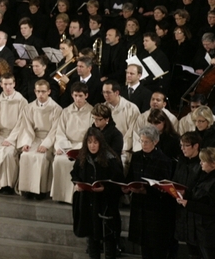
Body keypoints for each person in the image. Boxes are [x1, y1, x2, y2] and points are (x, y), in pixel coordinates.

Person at [71, 127, 125, 259]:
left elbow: (119, 182)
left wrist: (105, 188)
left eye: (95, 142)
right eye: (89, 142)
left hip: (105, 205)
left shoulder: (110, 158)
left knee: (109, 240)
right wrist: (77, 184)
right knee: (92, 239)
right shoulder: (83, 157)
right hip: (88, 203)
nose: (92, 145)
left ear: (101, 142)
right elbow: (75, 173)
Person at [127, 125, 177, 259]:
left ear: (155, 142)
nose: (143, 144)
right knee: (144, 245)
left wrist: (147, 191)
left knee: (157, 246)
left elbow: (165, 188)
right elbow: (130, 177)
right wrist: (127, 187)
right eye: (142, 141)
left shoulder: (164, 160)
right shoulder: (136, 157)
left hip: (155, 208)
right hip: (139, 206)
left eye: (147, 141)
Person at [18, 79, 63, 199]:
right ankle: (27, 189)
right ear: (34, 91)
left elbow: (55, 130)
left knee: (40, 157)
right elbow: (27, 128)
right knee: (26, 155)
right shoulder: (29, 107)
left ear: (49, 92)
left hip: (49, 140)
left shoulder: (56, 109)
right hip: (34, 138)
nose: (40, 94)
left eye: (43, 91)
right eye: (38, 91)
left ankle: (41, 190)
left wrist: (46, 145)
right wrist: (26, 143)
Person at [51, 81, 93, 203]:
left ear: (86, 95)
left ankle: (75, 196)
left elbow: (91, 134)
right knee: (59, 160)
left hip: (83, 146)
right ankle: (61, 196)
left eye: (80, 96)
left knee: (77, 162)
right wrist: (62, 147)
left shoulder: (92, 111)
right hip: (67, 145)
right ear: (72, 95)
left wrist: (80, 148)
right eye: (75, 95)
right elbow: (60, 132)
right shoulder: (66, 111)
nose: (78, 99)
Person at [179, 146, 215, 259]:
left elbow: (211, 208)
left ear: (213, 164)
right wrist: (185, 195)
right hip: (198, 230)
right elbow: (197, 194)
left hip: (209, 232)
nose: (200, 163)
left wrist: (188, 204)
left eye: (203, 161)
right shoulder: (203, 176)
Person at [175, 132, 204, 259]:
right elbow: (176, 179)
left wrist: (186, 193)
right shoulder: (182, 161)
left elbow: (202, 189)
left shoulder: (203, 164)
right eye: (181, 145)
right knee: (191, 250)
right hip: (183, 211)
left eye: (186, 146)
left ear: (196, 146)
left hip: (197, 214)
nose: (182, 149)